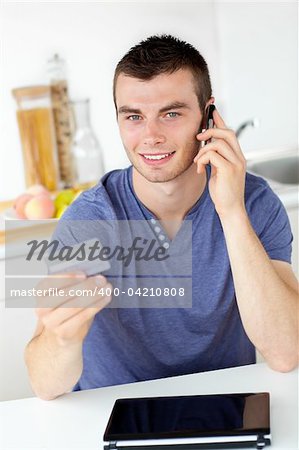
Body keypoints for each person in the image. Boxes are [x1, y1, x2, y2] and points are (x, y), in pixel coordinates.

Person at [25, 35, 299, 400]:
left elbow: (286, 354)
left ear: (208, 114)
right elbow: (44, 386)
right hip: (118, 416)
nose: (151, 136)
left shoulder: (254, 202)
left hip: (224, 409)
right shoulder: (90, 218)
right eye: (134, 117)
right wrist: (61, 338)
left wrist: (231, 211)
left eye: (171, 113)